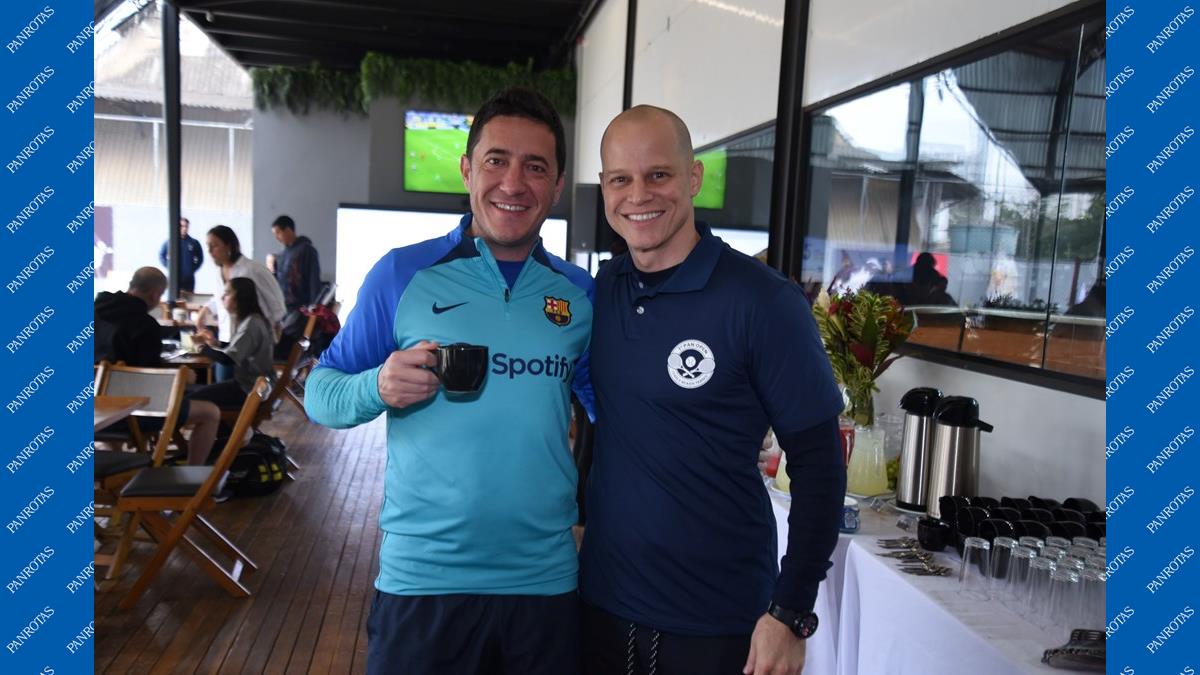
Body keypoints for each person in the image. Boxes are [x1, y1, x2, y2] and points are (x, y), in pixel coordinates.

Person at [304, 87, 594, 675]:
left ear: (558, 185)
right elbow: (320, 392)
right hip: (423, 583)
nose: (513, 183)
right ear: (466, 170)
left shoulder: (579, 294)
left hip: (544, 582)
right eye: (496, 160)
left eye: (535, 167)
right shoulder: (403, 273)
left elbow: (620, 411)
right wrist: (376, 386)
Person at [579, 106, 846, 675]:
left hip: (720, 626)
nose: (639, 195)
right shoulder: (601, 291)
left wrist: (790, 612)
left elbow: (821, 466)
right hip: (602, 609)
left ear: (694, 177)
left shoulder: (763, 301)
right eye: (621, 179)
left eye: (659, 174)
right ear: (604, 188)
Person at [93, 267, 221, 466]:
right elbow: (153, 381)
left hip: (95, 411)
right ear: (154, 295)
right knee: (210, 412)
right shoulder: (144, 324)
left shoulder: (95, 310)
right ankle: (193, 473)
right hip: (130, 413)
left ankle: (116, 463)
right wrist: (182, 377)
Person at [190, 277, 275, 412]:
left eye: (227, 293)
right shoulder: (252, 319)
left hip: (250, 389)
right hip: (253, 385)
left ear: (240, 298)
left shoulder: (251, 324)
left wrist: (200, 347)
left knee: (189, 400)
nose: (222, 297)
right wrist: (215, 343)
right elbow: (239, 348)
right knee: (193, 392)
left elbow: (227, 359)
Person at [194, 225, 287, 344]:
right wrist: (205, 310)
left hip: (255, 339)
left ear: (229, 246)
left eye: (214, 246)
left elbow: (277, 305)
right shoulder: (218, 273)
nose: (210, 251)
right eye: (208, 246)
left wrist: (272, 336)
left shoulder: (254, 270)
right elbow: (220, 299)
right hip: (227, 338)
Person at [269, 214, 323, 311]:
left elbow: (314, 280)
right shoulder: (282, 254)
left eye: (278, 233)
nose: (276, 237)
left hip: (302, 307)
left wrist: (314, 306)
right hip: (285, 306)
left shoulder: (307, 250)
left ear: (288, 230)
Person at [158, 217, 204, 293]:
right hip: (174, 278)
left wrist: (191, 269)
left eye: (186, 226)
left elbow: (200, 258)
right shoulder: (170, 242)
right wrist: (169, 266)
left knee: (188, 298)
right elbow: (161, 256)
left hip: (188, 280)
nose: (184, 228)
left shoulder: (194, 242)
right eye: (182, 226)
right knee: (174, 298)